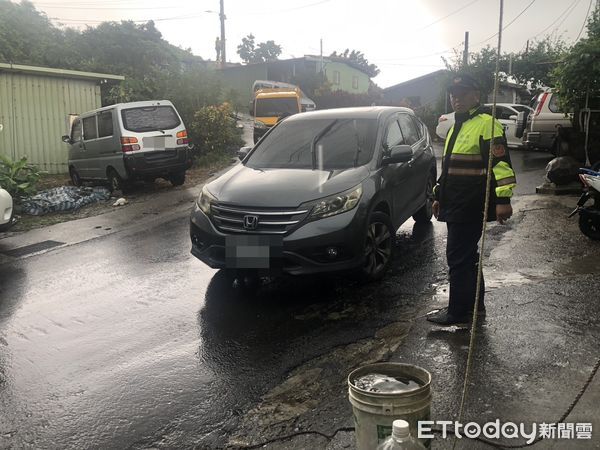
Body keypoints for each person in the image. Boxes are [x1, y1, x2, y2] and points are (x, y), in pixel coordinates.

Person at [427, 73, 516, 326]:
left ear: (475, 96)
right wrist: (438, 196)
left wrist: (503, 200)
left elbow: (501, 165)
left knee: (458, 258)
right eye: (454, 95)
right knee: (468, 257)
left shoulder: (487, 124)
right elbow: (449, 167)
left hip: (471, 203)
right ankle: (476, 307)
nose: (457, 99)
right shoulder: (457, 125)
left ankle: (457, 312)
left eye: (463, 94)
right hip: (454, 201)